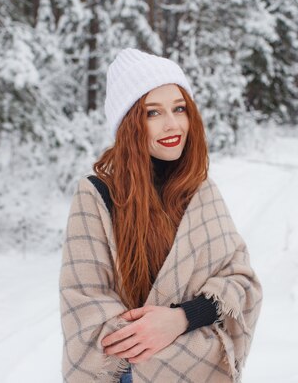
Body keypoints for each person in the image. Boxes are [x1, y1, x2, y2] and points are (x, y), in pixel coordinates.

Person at [59, 48, 262, 382]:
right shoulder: (98, 194)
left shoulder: (200, 190)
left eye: (179, 108)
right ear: (129, 123)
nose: (172, 124)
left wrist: (181, 319)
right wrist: (157, 345)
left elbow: (241, 282)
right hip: (130, 373)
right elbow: (86, 301)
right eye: (152, 113)